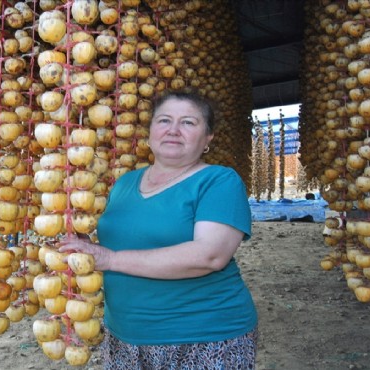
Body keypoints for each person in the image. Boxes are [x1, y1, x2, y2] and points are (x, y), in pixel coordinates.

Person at [59, 91, 258, 369]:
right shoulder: (125, 183)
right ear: (150, 132)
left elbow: (210, 255)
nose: (174, 130)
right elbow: (126, 237)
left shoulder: (219, 181)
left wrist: (109, 259)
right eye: (164, 120)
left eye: (188, 123)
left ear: (207, 139)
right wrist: (83, 245)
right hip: (124, 335)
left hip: (203, 336)